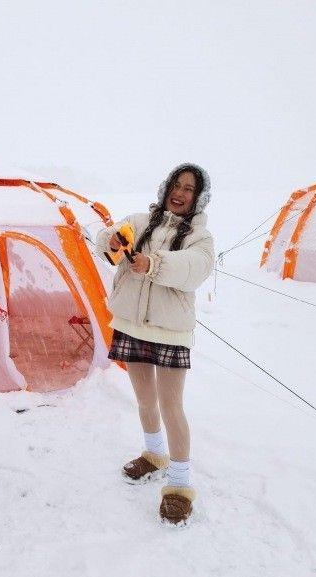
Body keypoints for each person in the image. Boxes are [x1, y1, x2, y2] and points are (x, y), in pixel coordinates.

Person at [95, 163, 214, 525]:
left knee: (171, 406)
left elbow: (193, 268)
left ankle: (179, 486)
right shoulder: (140, 221)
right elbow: (105, 236)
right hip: (131, 325)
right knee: (145, 401)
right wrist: (113, 240)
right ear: (166, 188)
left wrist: (153, 263)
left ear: (198, 198)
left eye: (189, 189)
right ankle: (154, 455)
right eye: (176, 185)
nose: (179, 193)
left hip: (169, 332)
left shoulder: (200, 238)